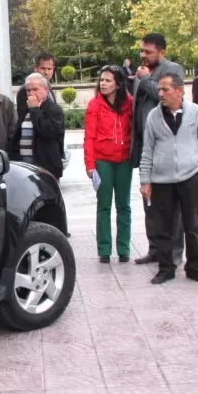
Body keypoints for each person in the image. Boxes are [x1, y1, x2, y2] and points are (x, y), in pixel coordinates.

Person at [139, 73, 198, 285]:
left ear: (180, 90)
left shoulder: (197, 113)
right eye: (159, 90)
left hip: (190, 178)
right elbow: (147, 151)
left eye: (165, 89)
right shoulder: (154, 116)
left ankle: (195, 268)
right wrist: (145, 180)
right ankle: (166, 268)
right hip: (161, 181)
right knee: (163, 227)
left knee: (192, 225)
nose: (160, 94)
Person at [130, 34, 185, 267]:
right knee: (149, 201)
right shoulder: (142, 72)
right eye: (142, 51)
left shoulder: (173, 69)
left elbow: (166, 99)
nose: (143, 55)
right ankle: (155, 249)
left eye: (148, 52)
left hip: (166, 147)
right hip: (145, 147)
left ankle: (173, 252)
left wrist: (145, 80)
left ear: (162, 52)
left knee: (173, 206)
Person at [85, 66, 134, 263]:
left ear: (119, 84)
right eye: (101, 80)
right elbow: (89, 136)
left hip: (124, 161)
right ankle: (104, 250)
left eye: (108, 80)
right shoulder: (95, 105)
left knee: (124, 206)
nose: (103, 84)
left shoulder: (129, 103)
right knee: (103, 206)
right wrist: (90, 164)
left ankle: (124, 249)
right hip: (102, 161)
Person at [10, 72, 65, 182]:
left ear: (46, 90)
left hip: (46, 168)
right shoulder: (26, 109)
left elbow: (48, 131)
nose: (31, 93)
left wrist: (35, 110)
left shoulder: (54, 110)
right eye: (28, 90)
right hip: (25, 168)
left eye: (35, 89)